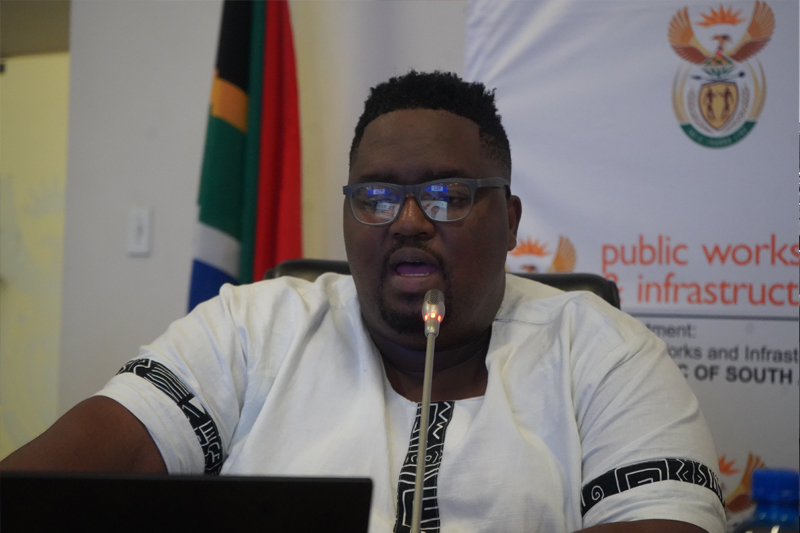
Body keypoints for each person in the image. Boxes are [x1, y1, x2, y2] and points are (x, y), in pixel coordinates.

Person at [1, 71, 725, 532]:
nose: (408, 221)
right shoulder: (250, 329)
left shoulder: (606, 352)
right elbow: (56, 483)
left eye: (445, 195)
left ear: (509, 221)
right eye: (376, 196)